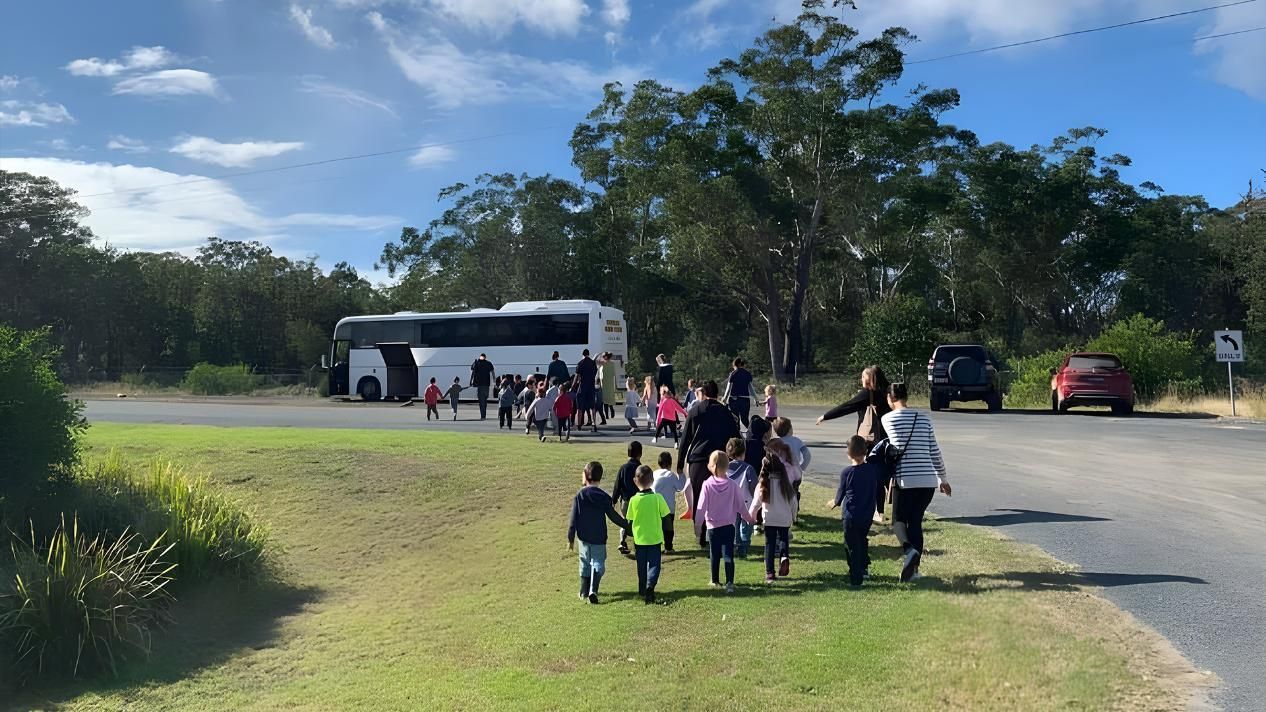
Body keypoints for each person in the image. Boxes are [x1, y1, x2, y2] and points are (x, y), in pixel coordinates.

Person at [881, 382, 952, 582]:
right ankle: (914, 571)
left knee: (898, 520)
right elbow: (934, 451)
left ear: (890, 398)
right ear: (906, 396)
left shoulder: (887, 419)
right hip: (928, 479)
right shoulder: (924, 419)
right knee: (916, 522)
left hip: (905, 479)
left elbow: (887, 449)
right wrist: (942, 479)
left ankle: (909, 550)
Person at [816, 366, 892, 523]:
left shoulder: (867, 394)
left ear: (870, 379)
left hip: (871, 441)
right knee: (881, 475)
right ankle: (883, 509)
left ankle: (878, 511)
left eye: (863, 377)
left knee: (873, 476)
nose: (861, 379)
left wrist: (826, 416)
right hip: (887, 439)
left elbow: (847, 406)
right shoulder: (887, 393)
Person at [676, 381, 741, 547]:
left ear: (703, 393)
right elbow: (734, 436)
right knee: (719, 497)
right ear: (717, 393)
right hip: (718, 458)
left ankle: (700, 534)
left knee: (699, 497)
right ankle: (717, 532)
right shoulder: (725, 411)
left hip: (698, 459)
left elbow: (685, 439)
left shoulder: (695, 410)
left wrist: (680, 462)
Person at [568, 461, 629, 604]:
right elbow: (613, 516)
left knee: (584, 563)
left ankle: (583, 591)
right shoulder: (603, 497)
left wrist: (570, 537)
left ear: (585, 476)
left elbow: (573, 519)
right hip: (599, 538)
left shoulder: (579, 496)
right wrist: (627, 525)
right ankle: (593, 590)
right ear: (600, 478)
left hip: (583, 538)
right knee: (598, 563)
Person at [695, 451, 755, 593]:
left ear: (711, 465)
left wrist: (698, 524)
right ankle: (729, 582)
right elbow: (741, 506)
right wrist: (749, 519)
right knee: (728, 554)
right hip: (729, 526)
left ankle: (715, 580)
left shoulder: (707, 485)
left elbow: (701, 507)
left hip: (713, 527)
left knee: (714, 554)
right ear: (727, 465)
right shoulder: (733, 485)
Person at [828, 436, 882, 586]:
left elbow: (840, 494)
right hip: (867, 513)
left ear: (848, 453)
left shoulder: (847, 472)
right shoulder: (872, 470)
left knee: (851, 544)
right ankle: (864, 569)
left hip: (851, 514)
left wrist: (834, 502)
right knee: (862, 540)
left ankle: (855, 577)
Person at [625, 465, 670, 604]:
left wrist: (627, 535)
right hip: (655, 538)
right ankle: (650, 585)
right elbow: (666, 517)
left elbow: (629, 520)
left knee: (641, 566)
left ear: (635, 481)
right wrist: (668, 533)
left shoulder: (633, 500)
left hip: (639, 539)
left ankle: (642, 589)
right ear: (652, 480)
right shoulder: (658, 498)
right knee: (655, 565)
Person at [749, 454, 796, 583]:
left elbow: (755, 503)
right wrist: (793, 516)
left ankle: (770, 573)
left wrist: (751, 516)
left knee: (769, 545)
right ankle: (784, 556)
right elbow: (793, 502)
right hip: (784, 518)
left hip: (769, 518)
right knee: (783, 540)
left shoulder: (762, 484)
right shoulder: (787, 484)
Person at [725, 438, 757, 557]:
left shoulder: (725, 468)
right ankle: (744, 547)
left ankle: (735, 544)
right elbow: (753, 486)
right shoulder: (748, 468)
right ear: (743, 453)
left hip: (730, 503)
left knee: (733, 524)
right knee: (745, 525)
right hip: (745, 502)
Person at [611, 441, 643, 555]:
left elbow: (617, 485)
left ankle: (622, 541)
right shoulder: (640, 469)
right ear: (640, 453)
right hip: (639, 500)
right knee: (638, 522)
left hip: (625, 500)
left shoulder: (623, 468)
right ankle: (638, 544)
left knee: (625, 521)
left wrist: (613, 500)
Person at [651, 451, 687, 552]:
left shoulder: (654, 473)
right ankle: (668, 547)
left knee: (656, 528)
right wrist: (681, 474)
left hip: (655, 506)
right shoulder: (671, 475)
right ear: (670, 463)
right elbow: (680, 487)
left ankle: (656, 546)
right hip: (668, 507)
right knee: (668, 529)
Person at [722, 357, 757, 428]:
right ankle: (752, 433)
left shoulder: (733, 374)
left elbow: (729, 388)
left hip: (734, 400)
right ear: (743, 365)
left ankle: (738, 437)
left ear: (735, 365)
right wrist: (756, 399)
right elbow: (751, 388)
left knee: (735, 420)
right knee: (745, 420)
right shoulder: (747, 374)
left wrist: (724, 398)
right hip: (745, 400)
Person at [573, 349, 599, 432]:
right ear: (588, 354)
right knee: (592, 407)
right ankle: (594, 424)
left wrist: (573, 386)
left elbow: (577, 376)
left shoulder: (580, 363)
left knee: (579, 407)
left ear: (583, 354)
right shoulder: (593, 363)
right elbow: (595, 373)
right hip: (591, 387)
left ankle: (579, 425)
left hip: (583, 387)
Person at [469, 353, 496, 420]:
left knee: (481, 402)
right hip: (487, 385)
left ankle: (483, 416)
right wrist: (494, 381)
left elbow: (473, 372)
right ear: (485, 357)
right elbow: (493, 372)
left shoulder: (476, 363)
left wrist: (471, 381)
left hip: (480, 385)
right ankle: (484, 415)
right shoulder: (488, 363)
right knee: (485, 400)